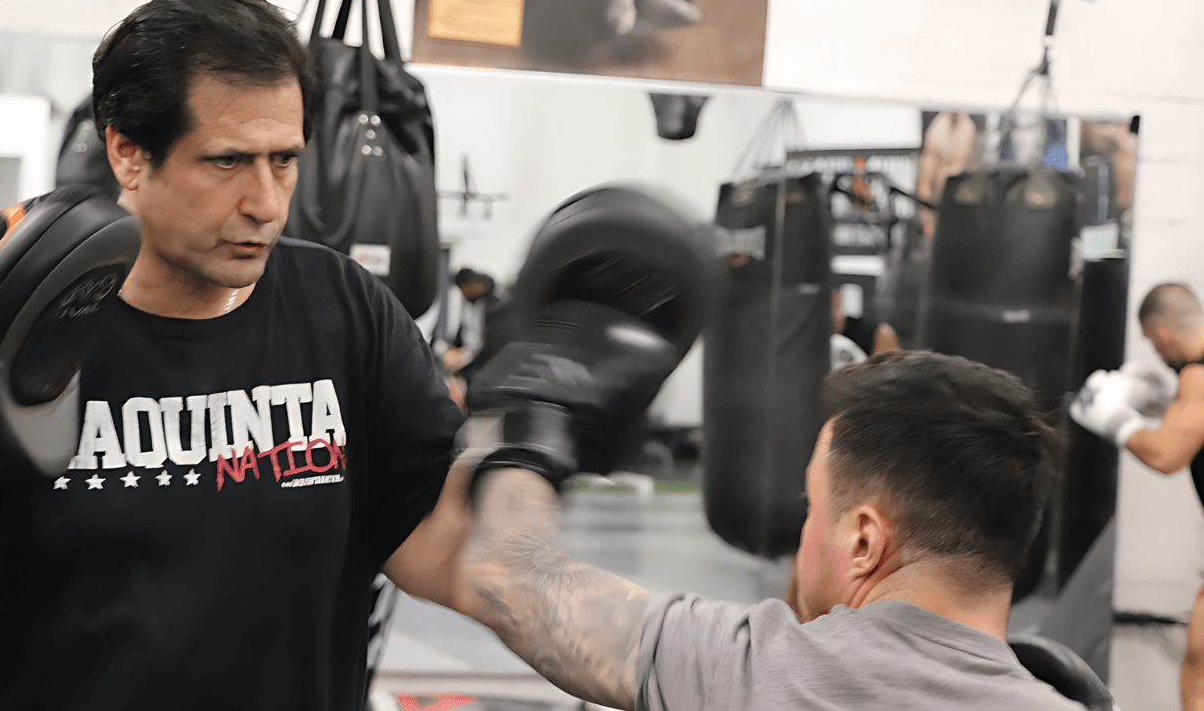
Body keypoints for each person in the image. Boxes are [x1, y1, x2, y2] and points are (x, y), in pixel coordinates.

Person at [0, 0, 472, 709]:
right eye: (227, 161)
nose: (268, 204)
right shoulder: (16, 316)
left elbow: (443, 545)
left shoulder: (344, 307)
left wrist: (531, 444)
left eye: (284, 160)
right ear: (127, 153)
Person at [454, 350, 1083, 710]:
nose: (803, 534)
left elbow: (513, 581)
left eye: (814, 508)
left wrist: (527, 441)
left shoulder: (765, 672)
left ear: (864, 542)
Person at [1070, 282, 1204, 711]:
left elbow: (1167, 454)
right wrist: (1166, 404)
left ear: (1161, 333)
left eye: (1150, 341)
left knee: (1199, 676)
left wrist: (1116, 421)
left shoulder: (1197, 375)